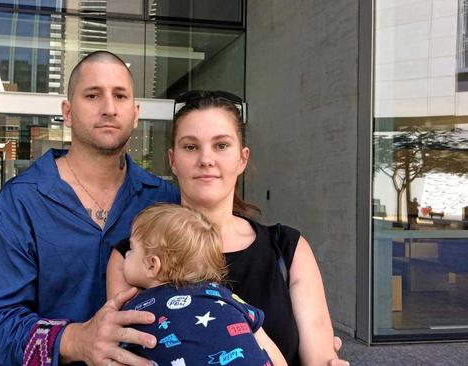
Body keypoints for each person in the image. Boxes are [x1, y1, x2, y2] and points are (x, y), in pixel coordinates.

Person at [0, 50, 180, 366]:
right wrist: (76, 340)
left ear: (135, 113)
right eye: (93, 95)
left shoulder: (163, 199)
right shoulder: (20, 202)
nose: (109, 108)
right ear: (67, 112)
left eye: (119, 96)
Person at [107, 90, 347, 366]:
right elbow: (129, 352)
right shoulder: (133, 254)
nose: (206, 159)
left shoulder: (287, 249)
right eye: (190, 147)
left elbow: (320, 359)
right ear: (173, 160)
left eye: (221, 145)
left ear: (242, 158)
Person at [118, 203, 286, 366]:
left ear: (152, 265)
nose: (126, 254)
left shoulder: (136, 310)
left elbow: (120, 356)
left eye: (131, 248)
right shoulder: (223, 295)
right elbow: (269, 348)